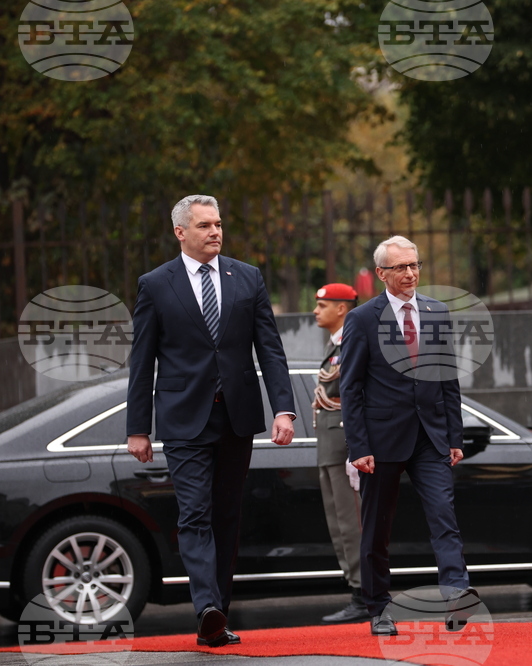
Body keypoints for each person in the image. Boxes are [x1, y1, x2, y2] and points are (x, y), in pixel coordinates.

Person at [125, 195, 296, 647]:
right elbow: (141, 362)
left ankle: (218, 615)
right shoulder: (155, 285)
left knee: (226, 517)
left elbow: (270, 349)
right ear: (181, 232)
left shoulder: (248, 277)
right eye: (204, 225)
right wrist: (137, 427)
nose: (215, 232)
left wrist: (284, 408)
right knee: (195, 512)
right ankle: (207, 607)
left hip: (237, 417)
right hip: (184, 420)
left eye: (218, 223)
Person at [339, 235, 478, 636]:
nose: (411, 273)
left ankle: (457, 597)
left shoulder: (436, 312)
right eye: (401, 267)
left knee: (444, 518)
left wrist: (455, 436)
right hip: (380, 443)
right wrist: (359, 447)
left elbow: (447, 377)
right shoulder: (363, 319)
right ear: (381, 273)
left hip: (430, 438)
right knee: (377, 529)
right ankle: (379, 607)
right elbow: (351, 388)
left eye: (414, 265)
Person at [311, 283, 371, 624]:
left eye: (323, 305)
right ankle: (357, 589)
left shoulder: (351, 343)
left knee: (353, 525)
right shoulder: (336, 346)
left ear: (342, 309)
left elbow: (357, 395)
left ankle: (364, 594)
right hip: (330, 446)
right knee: (340, 525)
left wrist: (356, 449)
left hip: (344, 445)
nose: (316, 311)